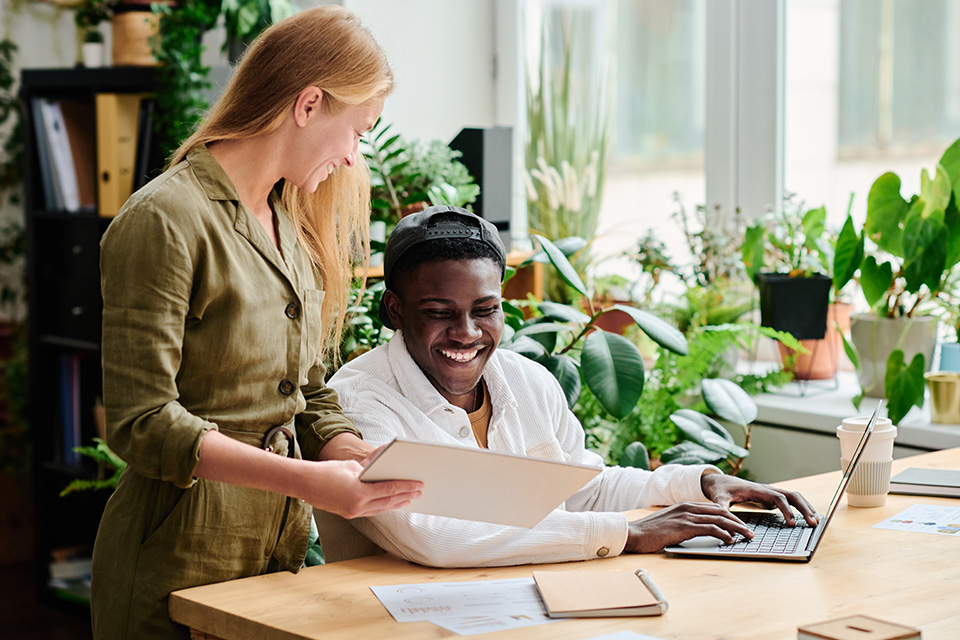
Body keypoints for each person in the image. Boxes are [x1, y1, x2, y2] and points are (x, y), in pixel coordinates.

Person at [90, 7, 422, 639]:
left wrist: (356, 458)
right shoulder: (165, 219)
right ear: (308, 105)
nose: (355, 159)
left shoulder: (287, 225)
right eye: (357, 131)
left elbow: (307, 392)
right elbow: (142, 424)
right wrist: (310, 481)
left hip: (275, 555)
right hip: (171, 563)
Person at [327, 205, 819, 568]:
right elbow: (435, 536)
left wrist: (699, 483)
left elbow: (581, 488)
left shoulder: (528, 380)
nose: (467, 333)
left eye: (485, 310)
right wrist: (627, 532)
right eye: (439, 313)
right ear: (394, 309)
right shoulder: (359, 401)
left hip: (526, 606)